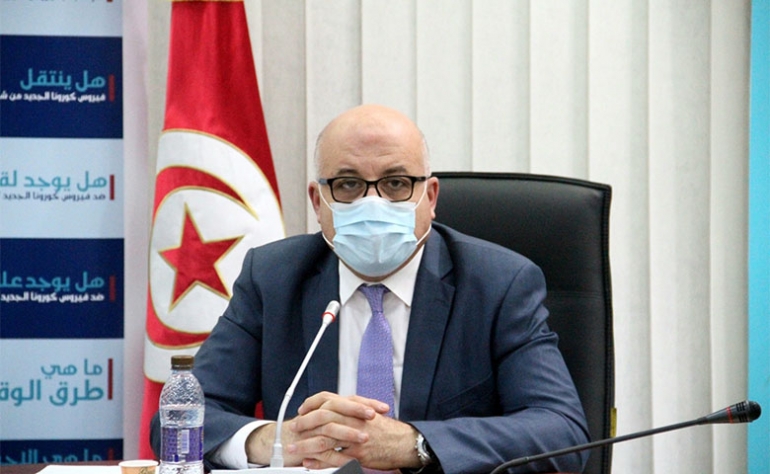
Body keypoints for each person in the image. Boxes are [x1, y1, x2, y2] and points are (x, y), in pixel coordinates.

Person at [150, 104, 590, 473]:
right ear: (318, 201)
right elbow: (178, 421)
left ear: (430, 197)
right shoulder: (273, 278)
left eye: (396, 183)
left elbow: (561, 431)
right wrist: (276, 441)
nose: (373, 203)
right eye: (348, 184)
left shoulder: (497, 283)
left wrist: (413, 443)